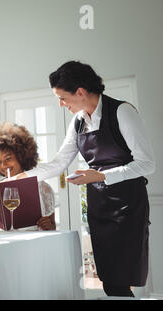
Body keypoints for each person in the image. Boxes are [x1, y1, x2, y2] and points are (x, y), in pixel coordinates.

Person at [14, 61, 155, 297]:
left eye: (62, 98)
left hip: (128, 205)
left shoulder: (122, 112)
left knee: (120, 280)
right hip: (98, 205)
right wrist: (23, 176)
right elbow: (60, 162)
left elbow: (147, 163)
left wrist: (101, 175)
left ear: (80, 92)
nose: (61, 104)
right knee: (109, 279)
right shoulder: (78, 121)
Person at [0, 122, 56, 231]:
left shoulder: (42, 188)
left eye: (8, 159)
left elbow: (52, 226)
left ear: (21, 156)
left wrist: (48, 225)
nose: (3, 165)